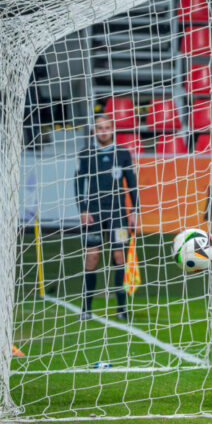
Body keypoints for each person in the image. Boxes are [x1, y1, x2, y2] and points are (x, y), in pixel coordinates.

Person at [75, 114, 139, 321]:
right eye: (99, 128)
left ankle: (121, 309)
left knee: (120, 257)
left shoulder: (122, 154)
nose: (103, 131)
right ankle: (86, 308)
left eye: (106, 127)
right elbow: (78, 183)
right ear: (95, 131)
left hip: (117, 213)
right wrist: (82, 209)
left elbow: (131, 182)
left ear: (113, 129)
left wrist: (135, 211)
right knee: (92, 258)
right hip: (93, 213)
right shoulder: (86, 154)